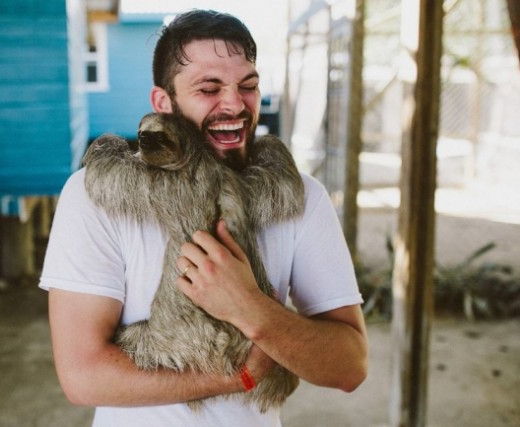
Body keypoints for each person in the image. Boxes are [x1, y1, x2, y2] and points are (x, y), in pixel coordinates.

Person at [39, 9, 368, 427]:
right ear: (163, 103)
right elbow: (83, 377)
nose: (235, 103)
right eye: (208, 88)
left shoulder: (301, 197)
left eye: (248, 86)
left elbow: (350, 365)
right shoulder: (93, 195)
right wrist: (239, 376)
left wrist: (250, 309)